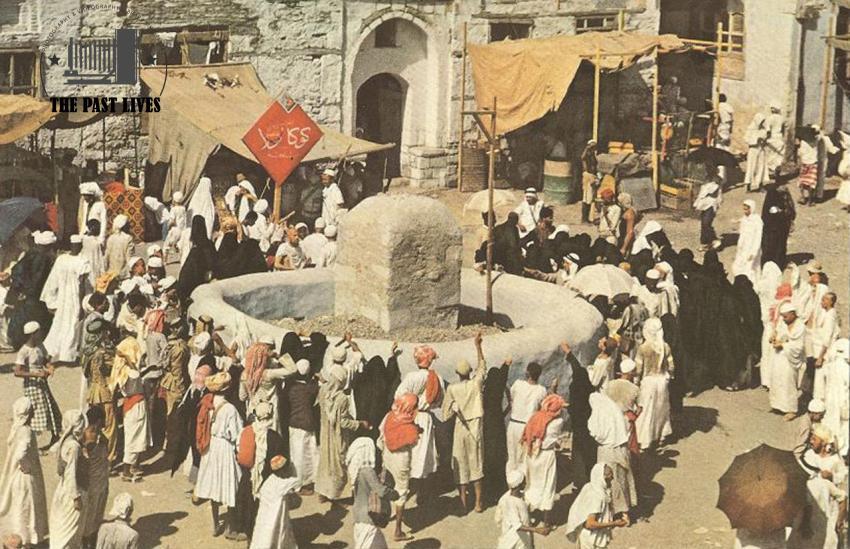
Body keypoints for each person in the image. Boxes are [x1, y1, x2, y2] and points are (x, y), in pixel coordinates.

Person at [442, 333, 488, 514]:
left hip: (460, 428)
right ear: (469, 372)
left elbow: (446, 414)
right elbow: (483, 366)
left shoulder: (452, 389)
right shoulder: (476, 384)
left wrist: (454, 407)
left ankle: (463, 502)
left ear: (457, 374)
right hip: (475, 428)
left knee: (461, 464)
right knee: (477, 464)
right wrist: (478, 346)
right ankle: (478, 502)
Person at [194, 372, 243, 537]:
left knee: (213, 485)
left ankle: (215, 524)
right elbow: (237, 434)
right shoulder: (230, 409)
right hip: (224, 447)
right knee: (229, 485)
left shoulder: (207, 403)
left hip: (210, 446)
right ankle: (230, 528)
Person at [789, 424, 848, 549]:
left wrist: (832, 476)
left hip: (828, 502)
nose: (811, 441)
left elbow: (843, 482)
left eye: (814, 439)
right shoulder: (808, 455)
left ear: (823, 442)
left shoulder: (834, 460)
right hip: (808, 499)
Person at [0, 397, 48, 547]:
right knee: (27, 510)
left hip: (17, 477)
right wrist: (27, 466)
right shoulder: (26, 431)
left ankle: (17, 540)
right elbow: (21, 453)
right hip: (26, 478)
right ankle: (26, 541)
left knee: (19, 509)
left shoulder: (17, 429)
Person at [316, 367, 367, 503]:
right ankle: (336, 495)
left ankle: (323, 492)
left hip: (324, 432)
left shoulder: (323, 390)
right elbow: (343, 422)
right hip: (337, 436)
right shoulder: (342, 398)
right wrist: (359, 424)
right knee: (339, 463)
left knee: (325, 462)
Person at [40, 235, 91, 363]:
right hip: (73, 299)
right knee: (72, 325)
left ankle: (52, 351)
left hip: (63, 299)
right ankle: (68, 354)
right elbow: (81, 286)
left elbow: (53, 281)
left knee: (60, 324)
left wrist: (51, 300)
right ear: (81, 246)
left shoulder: (61, 259)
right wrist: (81, 304)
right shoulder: (83, 261)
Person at [520, 394, 566, 531]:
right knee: (548, 485)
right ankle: (546, 523)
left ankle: (527, 518)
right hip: (547, 455)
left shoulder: (536, 417)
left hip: (532, 454)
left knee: (531, 484)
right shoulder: (559, 422)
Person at [14, 322, 62, 452]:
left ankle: (55, 437)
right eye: (39, 332)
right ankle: (32, 445)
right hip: (32, 386)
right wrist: (35, 374)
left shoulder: (40, 346)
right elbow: (17, 371)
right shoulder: (24, 351)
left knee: (50, 407)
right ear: (33, 334)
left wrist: (50, 367)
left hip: (42, 384)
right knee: (35, 412)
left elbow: (46, 360)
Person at [379, 393, 418, 542]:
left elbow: (381, 433)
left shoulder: (389, 416)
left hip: (388, 455)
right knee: (402, 492)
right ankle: (398, 531)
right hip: (402, 459)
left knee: (387, 484)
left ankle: (382, 514)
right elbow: (413, 442)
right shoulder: (410, 427)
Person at [588, 392, 635, 517]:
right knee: (621, 480)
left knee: (607, 481)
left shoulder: (599, 414)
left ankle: (611, 512)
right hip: (621, 448)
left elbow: (597, 433)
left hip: (607, 450)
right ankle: (625, 512)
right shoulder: (615, 411)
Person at [7, 231, 55, 350]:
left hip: (25, 291)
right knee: (33, 317)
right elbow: (38, 278)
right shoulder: (42, 258)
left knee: (22, 317)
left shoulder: (32, 253)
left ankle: (16, 340)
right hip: (34, 294)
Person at [347, 437, 397, 549]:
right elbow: (381, 490)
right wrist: (394, 494)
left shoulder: (354, 470)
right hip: (368, 517)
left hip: (359, 515)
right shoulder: (367, 471)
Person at [565, 463, 630, 549]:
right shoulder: (598, 497)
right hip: (592, 539)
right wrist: (614, 523)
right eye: (609, 475)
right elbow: (590, 524)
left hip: (588, 536)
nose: (612, 478)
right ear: (602, 478)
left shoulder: (589, 486)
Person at [634, 318, 674, 449]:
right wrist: (669, 376)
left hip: (648, 382)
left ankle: (645, 440)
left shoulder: (643, 348)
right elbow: (671, 366)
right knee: (661, 410)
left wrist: (636, 382)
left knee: (647, 411)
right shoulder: (665, 346)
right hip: (662, 381)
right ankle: (662, 435)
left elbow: (638, 369)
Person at [49, 409, 86, 549]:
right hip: (71, 493)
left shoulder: (65, 442)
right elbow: (71, 473)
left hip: (63, 489)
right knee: (69, 533)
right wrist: (76, 497)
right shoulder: (74, 446)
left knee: (61, 528)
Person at [112, 336, 147, 481]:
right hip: (136, 405)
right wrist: (127, 357)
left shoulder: (119, 370)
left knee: (133, 436)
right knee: (134, 437)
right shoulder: (129, 371)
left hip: (129, 406)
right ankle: (127, 470)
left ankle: (133, 466)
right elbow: (136, 373)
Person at [282, 359, 320, 494]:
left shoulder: (291, 388)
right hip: (307, 423)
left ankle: (299, 482)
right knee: (310, 453)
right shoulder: (310, 388)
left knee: (297, 454)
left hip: (293, 423)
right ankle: (305, 482)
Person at [249, 455, 300, 549]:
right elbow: (298, 481)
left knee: (262, 538)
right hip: (276, 517)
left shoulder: (268, 481)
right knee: (277, 536)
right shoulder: (283, 483)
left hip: (264, 518)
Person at [506, 362, 547, 473]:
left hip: (514, 425)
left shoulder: (518, 384)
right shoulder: (541, 390)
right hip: (528, 426)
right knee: (525, 459)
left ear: (527, 373)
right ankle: (524, 484)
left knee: (512, 457)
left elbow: (512, 397)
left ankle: (512, 483)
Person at [768, 301, 805, 421]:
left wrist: (783, 345)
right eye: (782, 316)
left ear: (793, 314)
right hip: (779, 357)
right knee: (777, 379)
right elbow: (778, 333)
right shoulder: (783, 323)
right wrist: (774, 337)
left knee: (788, 382)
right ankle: (778, 405)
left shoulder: (800, 327)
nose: (784, 319)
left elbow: (799, 346)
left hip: (789, 359)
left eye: (786, 316)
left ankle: (791, 410)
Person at [495, 470, 547, 549]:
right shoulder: (509, 502)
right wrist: (537, 530)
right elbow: (518, 526)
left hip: (523, 536)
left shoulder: (520, 495)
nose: (526, 483)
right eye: (524, 481)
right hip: (513, 537)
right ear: (519, 485)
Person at [80, 409, 109, 549]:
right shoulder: (90, 437)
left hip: (100, 481)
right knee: (90, 516)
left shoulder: (97, 435)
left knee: (96, 514)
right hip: (93, 483)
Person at [177, 215, 217, 302]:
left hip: (190, 280)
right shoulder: (208, 244)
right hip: (203, 279)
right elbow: (213, 262)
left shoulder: (193, 245)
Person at [822, 339, 849, 458]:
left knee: (831, 423)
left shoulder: (830, 366)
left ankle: (829, 447)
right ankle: (842, 451)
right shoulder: (846, 369)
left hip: (831, 401)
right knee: (843, 426)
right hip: (842, 401)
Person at [811, 292, 839, 403]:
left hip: (825, 353)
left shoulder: (831, 315)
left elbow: (827, 338)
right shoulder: (824, 312)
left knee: (821, 379)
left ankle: (821, 402)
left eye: (825, 299)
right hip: (818, 349)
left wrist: (820, 356)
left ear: (831, 302)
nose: (822, 301)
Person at [760, 182, 795, 267]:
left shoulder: (777, 195)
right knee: (775, 247)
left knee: (774, 247)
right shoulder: (780, 195)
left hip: (777, 228)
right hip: (776, 228)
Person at [731, 200, 763, 284]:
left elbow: (758, 238)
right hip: (743, 246)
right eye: (744, 209)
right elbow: (743, 221)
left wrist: (754, 252)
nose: (745, 211)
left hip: (751, 247)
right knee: (739, 264)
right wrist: (736, 222)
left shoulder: (757, 220)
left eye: (747, 209)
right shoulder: (745, 218)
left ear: (751, 209)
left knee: (750, 267)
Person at [693, 179, 722, 252]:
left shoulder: (715, 183)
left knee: (706, 223)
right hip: (704, 205)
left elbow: (711, 192)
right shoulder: (706, 182)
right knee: (703, 224)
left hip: (711, 205)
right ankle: (706, 244)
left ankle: (714, 240)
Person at [744, 112, 769, 191]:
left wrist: (764, 141)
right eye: (761, 121)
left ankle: (760, 184)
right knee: (751, 167)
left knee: (761, 167)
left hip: (761, 150)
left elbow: (765, 139)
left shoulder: (763, 130)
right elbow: (746, 139)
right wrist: (755, 140)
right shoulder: (750, 129)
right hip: (753, 150)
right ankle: (748, 185)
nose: (762, 123)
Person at [797, 126, 820, 206]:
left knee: (802, 181)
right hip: (813, 164)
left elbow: (800, 154)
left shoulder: (803, 143)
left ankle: (803, 197)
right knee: (811, 183)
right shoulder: (816, 141)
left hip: (804, 163)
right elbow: (819, 134)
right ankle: (810, 201)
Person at [581, 140, 600, 224]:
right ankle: (584, 219)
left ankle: (586, 218)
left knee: (590, 198)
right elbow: (582, 157)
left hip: (592, 175)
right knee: (587, 198)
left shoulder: (592, 155)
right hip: (588, 175)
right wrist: (588, 147)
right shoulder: (587, 154)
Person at [765, 103, 785, 180]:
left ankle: (771, 172)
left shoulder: (769, 118)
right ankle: (777, 171)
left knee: (770, 157)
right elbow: (783, 130)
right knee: (778, 156)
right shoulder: (782, 118)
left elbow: (768, 130)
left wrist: (766, 139)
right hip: (779, 138)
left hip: (772, 138)